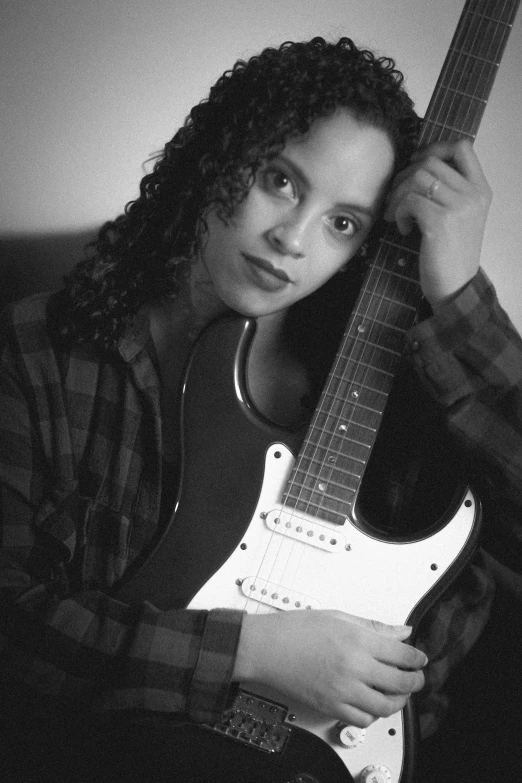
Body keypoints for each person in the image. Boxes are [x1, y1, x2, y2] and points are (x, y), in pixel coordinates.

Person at [0, 36, 521, 783]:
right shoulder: (41, 348)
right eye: (281, 180)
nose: (292, 239)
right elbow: (12, 621)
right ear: (220, 156)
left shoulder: (398, 391)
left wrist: (459, 293)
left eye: (345, 223)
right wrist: (252, 651)